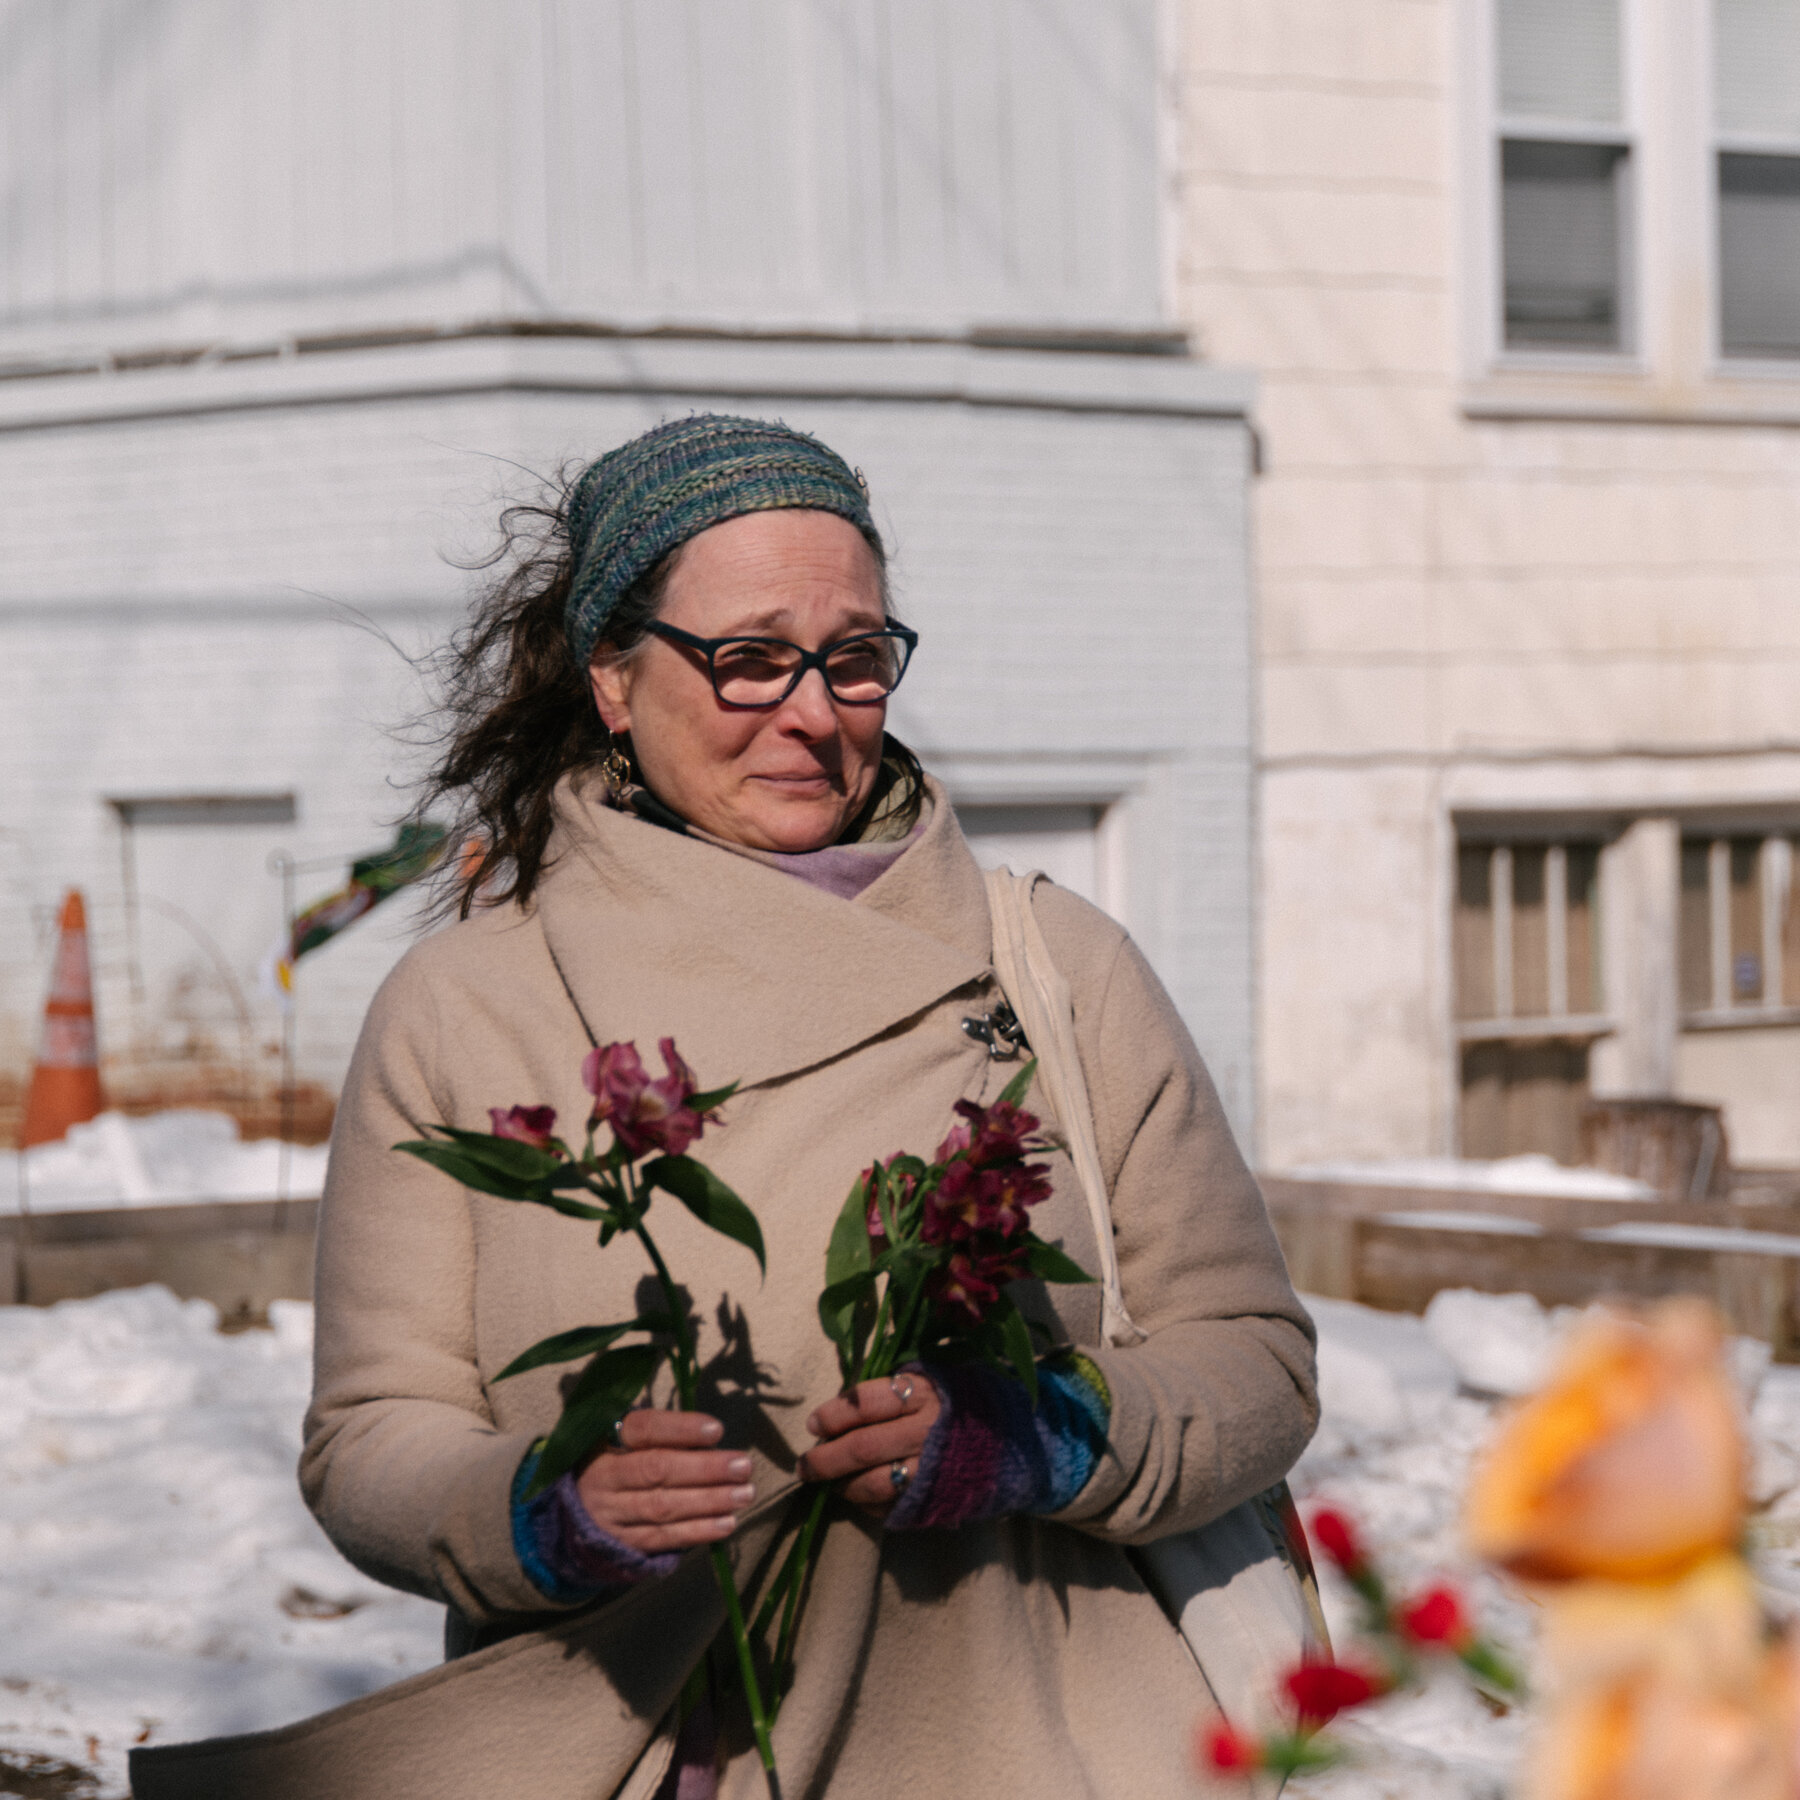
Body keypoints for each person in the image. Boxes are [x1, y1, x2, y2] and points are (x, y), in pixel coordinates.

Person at [139, 415, 1318, 1800]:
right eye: (749, 658)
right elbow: (376, 1436)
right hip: (647, 1740)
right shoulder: (472, 1007)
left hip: (1041, 1741)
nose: (813, 713)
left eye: (856, 657)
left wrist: (1036, 1434)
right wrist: (547, 1514)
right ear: (616, 683)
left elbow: (1256, 1360)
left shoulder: (1057, 968)